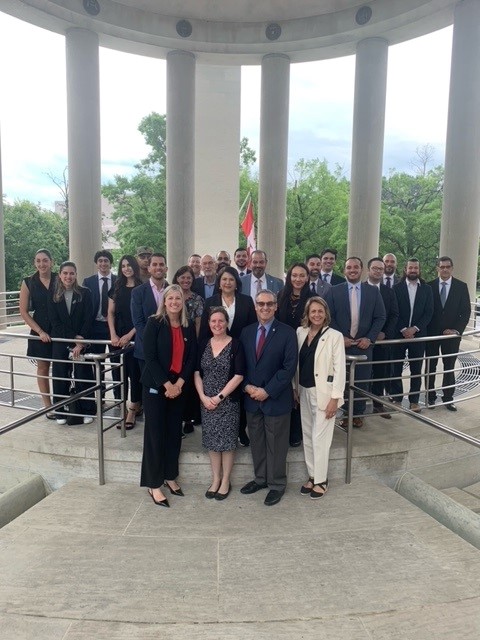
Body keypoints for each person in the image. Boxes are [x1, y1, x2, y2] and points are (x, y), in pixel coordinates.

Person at [140, 284, 197, 508]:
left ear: (183, 302)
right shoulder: (154, 323)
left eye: (178, 298)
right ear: (164, 301)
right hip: (156, 387)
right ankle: (154, 484)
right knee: (155, 434)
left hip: (179, 387)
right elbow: (150, 357)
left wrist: (180, 382)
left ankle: (170, 475)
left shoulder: (187, 325)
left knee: (174, 433)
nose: (174, 302)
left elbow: (191, 357)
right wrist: (166, 385)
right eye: (170, 298)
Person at [240, 290, 298, 506]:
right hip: (251, 399)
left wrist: (267, 391)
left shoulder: (287, 332)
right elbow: (241, 364)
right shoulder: (246, 332)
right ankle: (260, 479)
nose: (265, 308)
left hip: (275, 399)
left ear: (276, 307)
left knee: (277, 444)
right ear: (255, 306)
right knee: (257, 442)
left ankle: (277, 484)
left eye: (269, 304)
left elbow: (288, 367)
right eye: (261, 304)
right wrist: (246, 387)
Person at [325, 257, 385, 428]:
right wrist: (339, 338)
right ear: (344, 270)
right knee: (341, 382)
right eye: (349, 267)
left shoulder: (373, 292)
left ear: (362, 270)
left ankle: (358, 415)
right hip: (340, 345)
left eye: (356, 267)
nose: (352, 270)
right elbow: (328, 317)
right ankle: (345, 414)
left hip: (363, 345)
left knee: (361, 381)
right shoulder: (334, 291)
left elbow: (380, 317)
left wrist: (369, 338)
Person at [198, 266, 256, 446]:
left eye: (231, 279)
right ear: (219, 283)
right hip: (217, 351)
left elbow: (252, 327)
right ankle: (217, 431)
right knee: (219, 388)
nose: (227, 282)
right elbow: (205, 330)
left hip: (241, 350)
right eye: (224, 279)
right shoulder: (211, 301)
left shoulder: (247, 301)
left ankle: (240, 429)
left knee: (239, 391)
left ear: (236, 283)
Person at [295, 297, 346, 498]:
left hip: (324, 394)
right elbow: (296, 365)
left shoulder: (335, 336)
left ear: (326, 314)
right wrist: (294, 389)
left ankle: (321, 480)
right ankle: (312, 475)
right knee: (307, 436)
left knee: (320, 438)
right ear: (307, 314)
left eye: (320, 311)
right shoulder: (300, 332)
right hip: (303, 390)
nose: (316, 315)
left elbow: (339, 369)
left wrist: (335, 397)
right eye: (313, 311)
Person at [194, 307, 245, 500]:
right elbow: (197, 373)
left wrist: (219, 397)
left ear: (227, 323)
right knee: (212, 443)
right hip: (206, 402)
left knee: (227, 443)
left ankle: (226, 480)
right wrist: (203, 396)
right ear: (209, 324)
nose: (217, 324)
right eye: (213, 321)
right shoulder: (203, 344)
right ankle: (215, 479)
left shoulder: (236, 345)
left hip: (227, 402)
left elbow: (239, 375)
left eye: (221, 321)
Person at [47, 261, 95, 424]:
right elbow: (55, 322)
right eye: (65, 273)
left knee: (83, 375)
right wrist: (75, 338)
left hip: (82, 342)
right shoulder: (53, 295)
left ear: (76, 275)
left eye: (72, 273)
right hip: (61, 341)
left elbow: (89, 319)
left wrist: (80, 343)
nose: (68, 276)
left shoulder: (85, 293)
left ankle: (88, 410)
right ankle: (60, 411)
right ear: (59, 275)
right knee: (60, 376)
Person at [276, 262, 316, 446]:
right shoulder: (281, 296)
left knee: (299, 389)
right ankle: (284, 429)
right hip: (283, 347)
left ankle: (297, 432)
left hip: (304, 348)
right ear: (289, 277)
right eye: (294, 275)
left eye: (302, 275)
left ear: (307, 278)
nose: (298, 279)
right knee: (286, 388)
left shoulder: (313, 298)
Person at [426, 256, 471, 412]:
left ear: (452, 268)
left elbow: (465, 312)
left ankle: (448, 398)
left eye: (447, 267)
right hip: (432, 334)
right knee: (430, 366)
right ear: (437, 268)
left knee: (449, 366)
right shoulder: (429, 286)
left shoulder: (461, 286)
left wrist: (456, 330)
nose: (444, 269)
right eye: (441, 267)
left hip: (451, 335)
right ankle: (429, 397)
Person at [391, 258, 434, 413]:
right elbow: (394, 311)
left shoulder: (427, 289)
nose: (413, 270)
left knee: (417, 369)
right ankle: (396, 397)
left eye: (416, 268)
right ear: (405, 269)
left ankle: (414, 400)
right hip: (399, 334)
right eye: (411, 268)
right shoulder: (396, 288)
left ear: (419, 270)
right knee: (396, 368)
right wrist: (403, 329)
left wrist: (414, 329)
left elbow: (429, 313)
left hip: (418, 335)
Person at [19, 249, 57, 419]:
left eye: (45, 260)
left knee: (63, 367)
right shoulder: (28, 282)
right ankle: (48, 406)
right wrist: (39, 331)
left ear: (51, 262)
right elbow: (24, 311)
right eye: (38, 261)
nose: (42, 264)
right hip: (39, 328)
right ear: (35, 263)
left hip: (59, 328)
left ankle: (64, 401)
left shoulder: (60, 278)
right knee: (43, 367)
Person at [107, 255, 142, 429]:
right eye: (123, 266)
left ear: (135, 267)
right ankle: (121, 406)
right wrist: (113, 335)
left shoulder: (142, 287)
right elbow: (110, 313)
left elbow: (144, 316)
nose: (127, 268)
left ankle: (133, 409)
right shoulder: (116, 287)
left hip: (136, 336)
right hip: (117, 338)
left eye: (129, 265)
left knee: (135, 374)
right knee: (119, 374)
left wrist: (130, 335)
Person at [365, 258, 399, 419]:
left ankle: (378, 404)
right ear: (368, 270)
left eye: (380, 269)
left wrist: (384, 333)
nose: (378, 271)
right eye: (375, 268)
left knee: (380, 373)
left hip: (381, 341)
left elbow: (394, 315)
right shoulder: (360, 288)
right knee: (361, 373)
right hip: (361, 340)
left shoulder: (389, 291)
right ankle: (358, 405)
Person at [82, 250, 119, 399]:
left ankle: (118, 396)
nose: (103, 263)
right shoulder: (88, 282)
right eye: (100, 261)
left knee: (116, 363)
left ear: (110, 263)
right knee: (98, 363)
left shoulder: (118, 281)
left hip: (114, 328)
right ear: (96, 263)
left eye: (106, 261)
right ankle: (100, 396)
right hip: (95, 327)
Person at [172, 265, 205, 433]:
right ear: (177, 278)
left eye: (189, 278)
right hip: (173, 346)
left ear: (193, 280)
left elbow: (199, 324)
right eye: (182, 277)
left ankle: (188, 419)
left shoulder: (197, 299)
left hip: (191, 345)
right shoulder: (171, 296)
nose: (185, 280)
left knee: (189, 383)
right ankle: (175, 418)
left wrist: (195, 344)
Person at [131, 252, 168, 366]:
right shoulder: (138, 292)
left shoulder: (173, 290)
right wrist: (153, 343)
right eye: (155, 264)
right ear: (149, 268)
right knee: (148, 384)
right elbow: (138, 323)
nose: (158, 267)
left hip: (168, 349)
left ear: (166, 268)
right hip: (145, 349)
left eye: (161, 264)